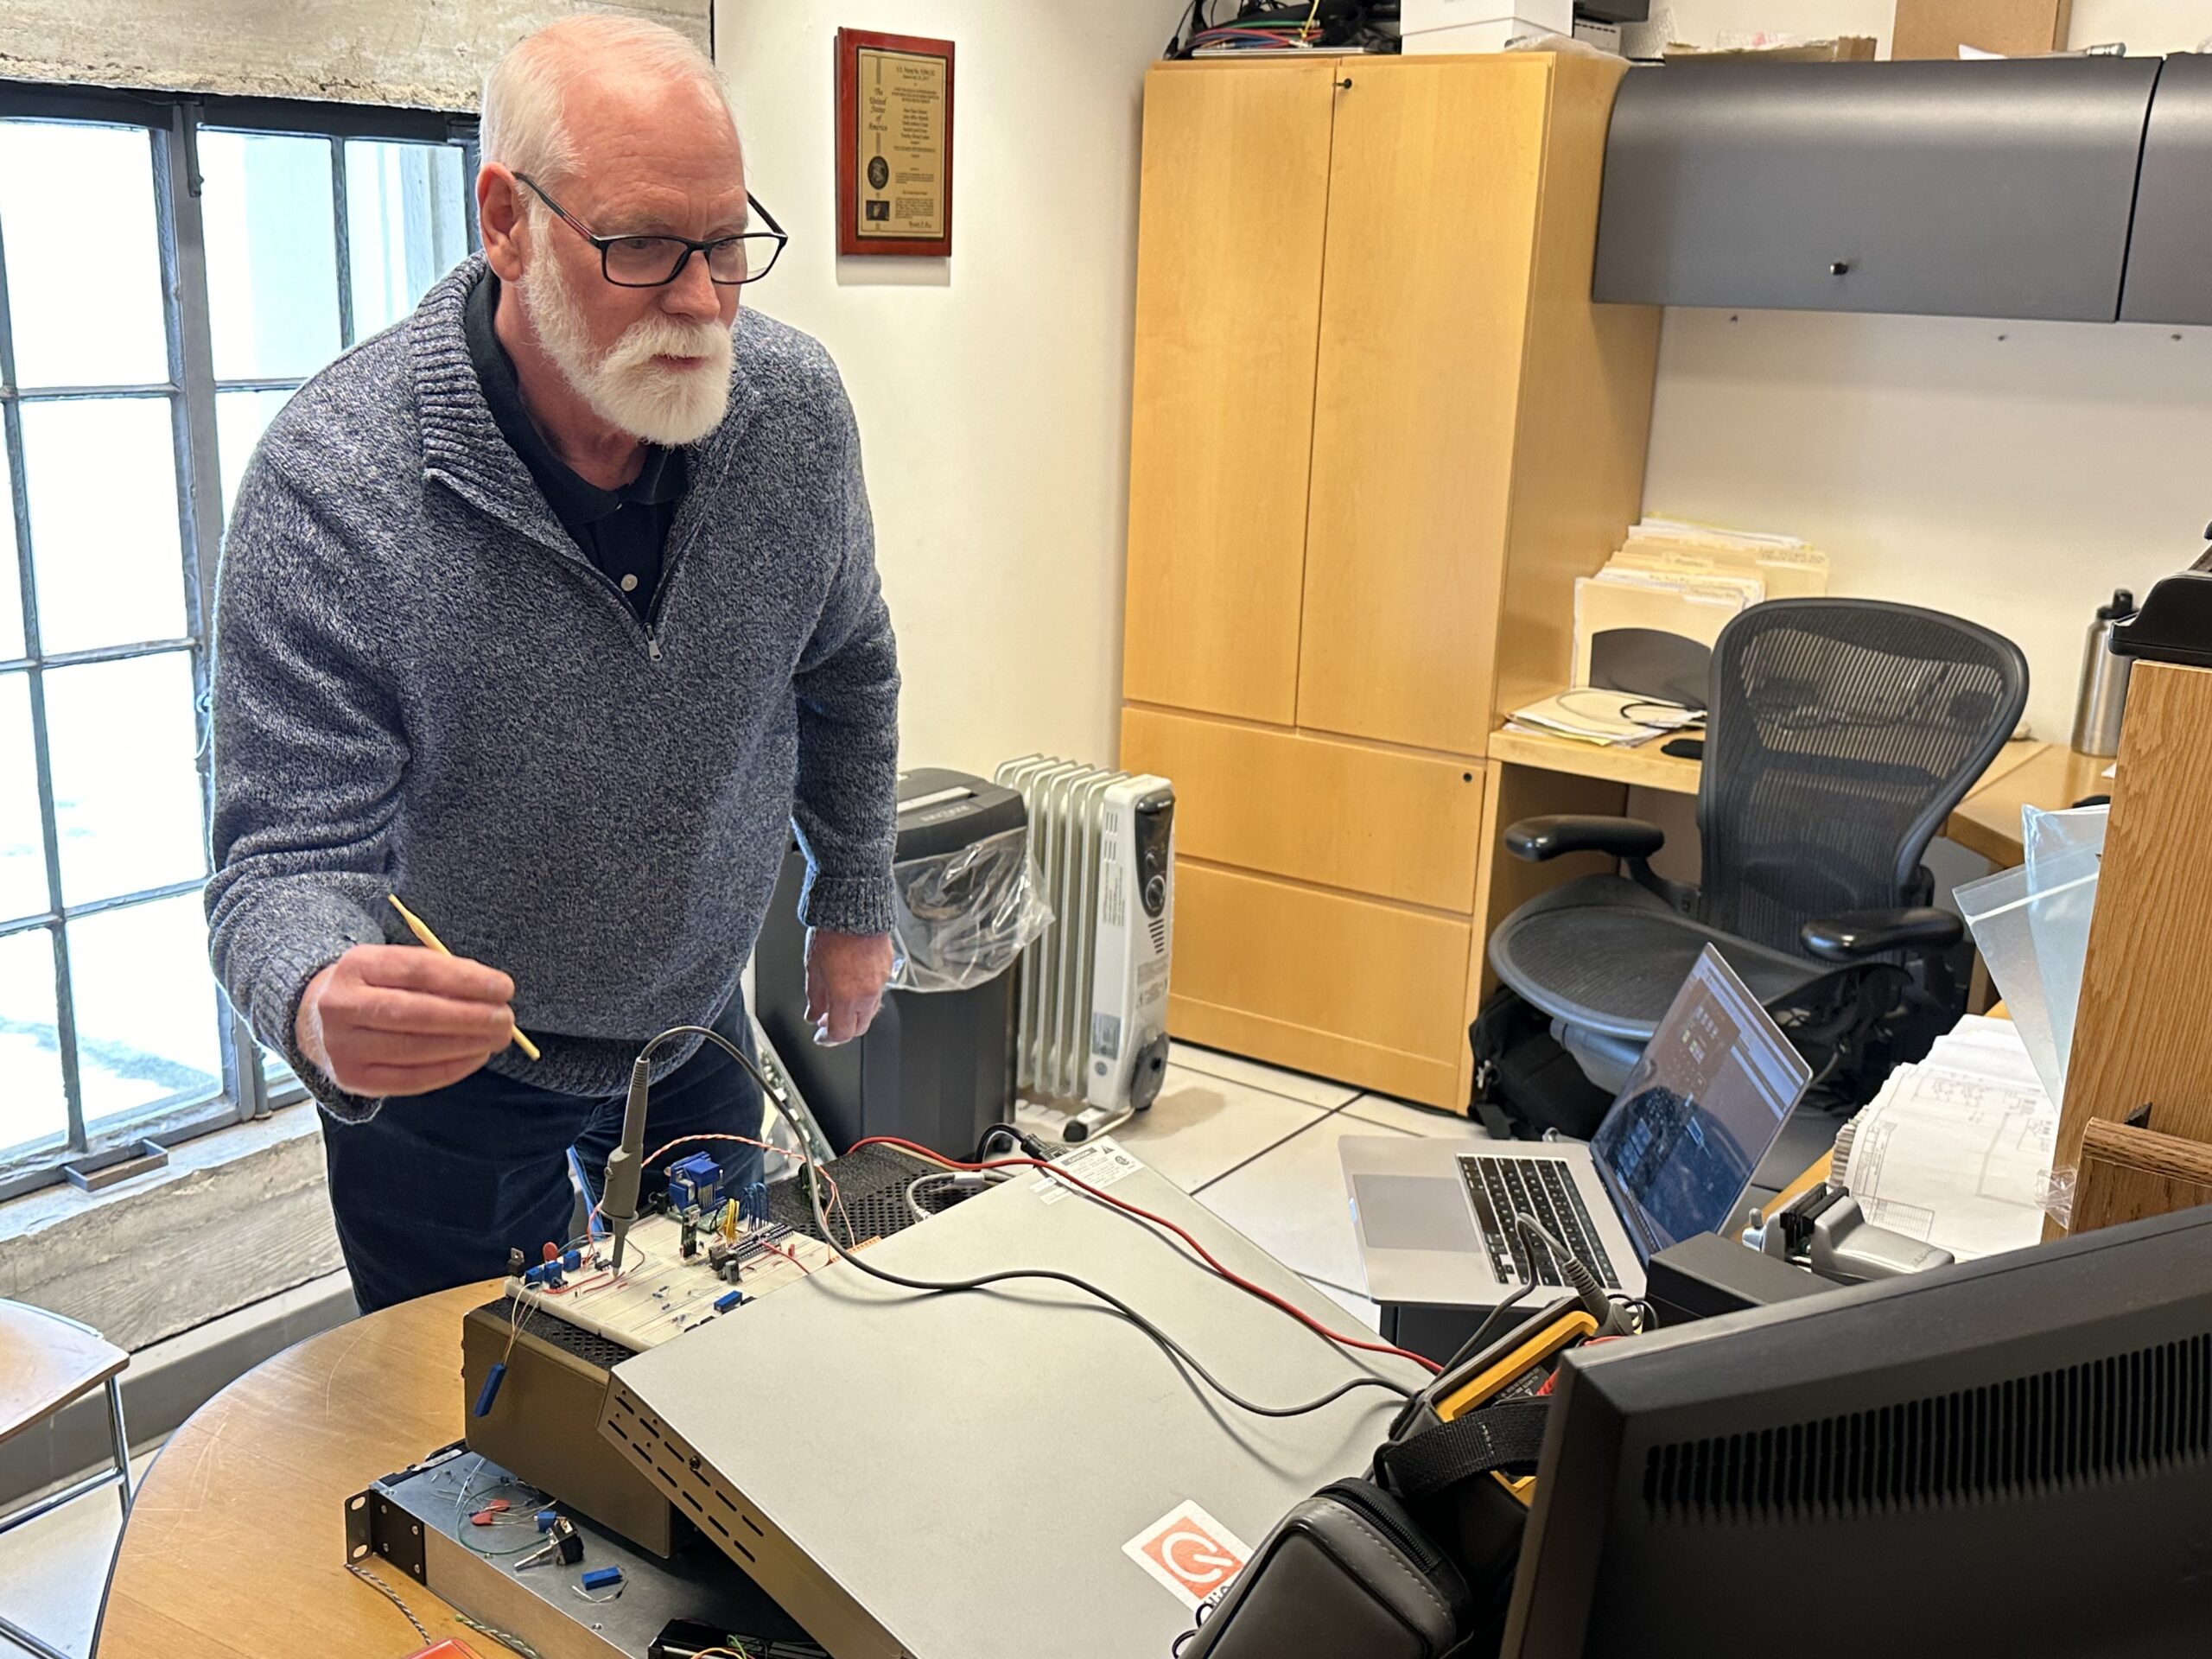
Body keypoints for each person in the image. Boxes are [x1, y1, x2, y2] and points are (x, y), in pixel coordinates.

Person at [205, 15, 899, 1313]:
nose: (700, 302)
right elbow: (280, 867)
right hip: (455, 1080)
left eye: (727, 244)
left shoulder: (792, 417)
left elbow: (847, 664)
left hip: (693, 1021)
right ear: (507, 221)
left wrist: (852, 894)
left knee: (715, 1372)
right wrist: (312, 993)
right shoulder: (336, 485)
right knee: (468, 1424)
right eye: (640, 246)